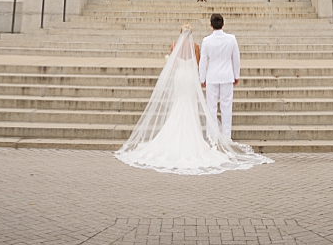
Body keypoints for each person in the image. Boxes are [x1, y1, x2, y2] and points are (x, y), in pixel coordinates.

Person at [114, 23, 268, 175]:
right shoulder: (195, 46)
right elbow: (199, 63)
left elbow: (173, 66)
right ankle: (206, 137)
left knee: (179, 103)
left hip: (180, 77)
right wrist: (201, 79)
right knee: (191, 105)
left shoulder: (174, 45)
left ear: (180, 33)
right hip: (190, 78)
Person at [198, 12, 242, 142]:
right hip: (227, 75)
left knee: (211, 107)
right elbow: (236, 59)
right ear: (223, 24)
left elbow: (203, 61)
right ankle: (226, 135)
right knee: (226, 106)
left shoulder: (206, 40)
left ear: (211, 25)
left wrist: (202, 78)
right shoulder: (231, 39)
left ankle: (212, 134)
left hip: (212, 75)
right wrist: (236, 75)